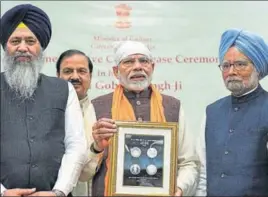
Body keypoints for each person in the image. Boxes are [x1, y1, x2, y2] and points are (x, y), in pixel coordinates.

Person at [81, 40, 200, 196]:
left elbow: (188, 163)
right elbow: (82, 174)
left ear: (152, 67)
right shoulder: (97, 107)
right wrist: (96, 148)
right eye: (129, 61)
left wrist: (178, 188)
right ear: (116, 71)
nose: (138, 66)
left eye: (143, 61)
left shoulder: (173, 107)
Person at [0, 4, 87, 197]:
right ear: (6, 46)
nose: (23, 47)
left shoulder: (64, 89)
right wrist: (3, 192)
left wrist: (59, 191)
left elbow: (76, 145)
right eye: (15, 41)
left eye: (30, 40)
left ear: (41, 47)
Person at [195, 28, 268, 196]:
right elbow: (203, 172)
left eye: (240, 64)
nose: (231, 72)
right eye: (226, 65)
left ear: (257, 67)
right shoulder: (211, 112)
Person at [56, 49, 95, 196]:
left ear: (90, 77)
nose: (74, 76)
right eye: (67, 71)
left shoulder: (100, 111)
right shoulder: (44, 110)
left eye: (81, 71)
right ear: (57, 76)